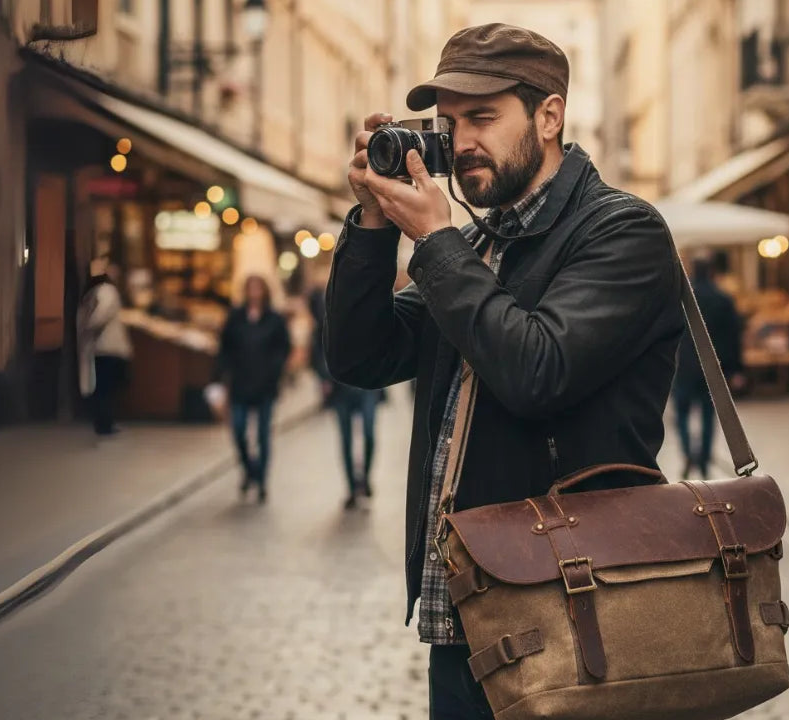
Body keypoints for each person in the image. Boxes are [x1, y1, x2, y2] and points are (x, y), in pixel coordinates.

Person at [323, 23, 683, 718]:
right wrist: (372, 222)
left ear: (549, 117)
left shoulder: (621, 231)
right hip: (464, 619)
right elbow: (362, 355)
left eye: (483, 118)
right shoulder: (477, 245)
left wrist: (436, 241)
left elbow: (536, 371)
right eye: (449, 123)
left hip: (574, 614)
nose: (460, 142)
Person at [214, 275, 293, 503]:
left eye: (258, 288)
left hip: (265, 386)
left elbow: (284, 347)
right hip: (240, 384)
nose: (254, 292)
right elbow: (225, 348)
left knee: (263, 435)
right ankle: (249, 469)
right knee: (238, 430)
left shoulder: (274, 319)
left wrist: (274, 370)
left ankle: (262, 480)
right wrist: (220, 377)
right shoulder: (236, 317)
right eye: (251, 288)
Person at [308, 283, 384, 510]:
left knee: (369, 433)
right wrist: (324, 378)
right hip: (340, 387)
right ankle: (351, 487)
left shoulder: (371, 310)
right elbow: (318, 351)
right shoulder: (329, 315)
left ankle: (365, 478)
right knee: (346, 438)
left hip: (368, 385)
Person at [674, 255, 744, 479]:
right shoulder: (723, 299)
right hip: (712, 367)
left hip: (684, 367)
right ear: (712, 271)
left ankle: (688, 452)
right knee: (708, 414)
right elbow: (734, 337)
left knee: (682, 414)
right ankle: (703, 458)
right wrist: (735, 369)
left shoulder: (680, 298)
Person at [78, 259, 132, 437]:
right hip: (108, 347)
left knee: (104, 386)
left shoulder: (92, 292)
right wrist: (89, 326)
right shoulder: (107, 291)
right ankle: (104, 423)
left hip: (101, 347)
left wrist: (86, 328)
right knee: (106, 387)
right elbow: (101, 315)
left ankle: (104, 421)